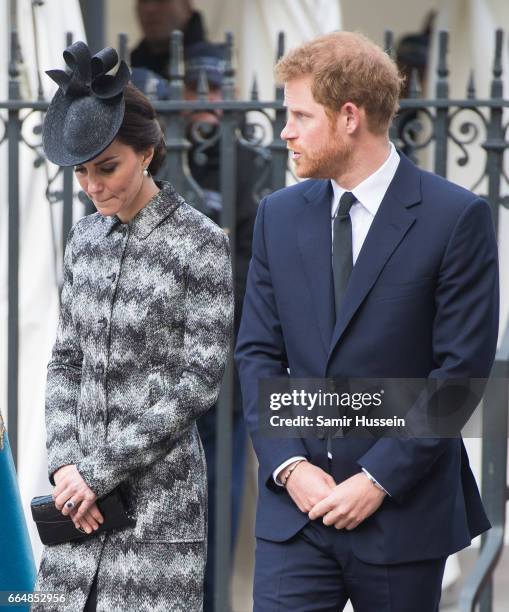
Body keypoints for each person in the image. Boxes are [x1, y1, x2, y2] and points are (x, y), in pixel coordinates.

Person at [235, 31, 499, 611]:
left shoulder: (456, 218)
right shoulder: (278, 216)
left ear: (349, 116)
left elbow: (458, 374)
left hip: (403, 513)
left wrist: (376, 479)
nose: (286, 131)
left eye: (300, 115)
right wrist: (289, 466)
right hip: (294, 515)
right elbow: (256, 353)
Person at [34, 41, 233, 612]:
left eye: (107, 167)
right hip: (79, 508)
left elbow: (197, 383)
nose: (93, 186)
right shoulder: (84, 239)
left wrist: (96, 472)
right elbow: (65, 359)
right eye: (81, 171)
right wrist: (67, 465)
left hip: (157, 513)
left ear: (146, 153)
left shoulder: (200, 243)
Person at [182, 41, 265, 611]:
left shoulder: (255, 163)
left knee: (221, 492)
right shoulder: (161, 154)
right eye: (198, 87)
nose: (208, 99)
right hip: (162, 363)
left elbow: (257, 264)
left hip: (230, 363)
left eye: (217, 87)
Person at [131, 0, 206, 80]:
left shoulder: (214, 69)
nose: (150, 9)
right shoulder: (128, 71)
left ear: (186, 5)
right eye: (143, 1)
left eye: (162, 1)